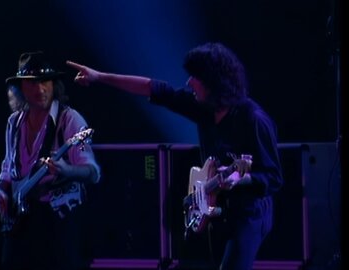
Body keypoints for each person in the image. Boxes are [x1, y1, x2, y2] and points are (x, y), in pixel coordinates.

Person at [67, 42, 283, 270]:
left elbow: (273, 177)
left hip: (248, 214)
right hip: (218, 211)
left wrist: (241, 179)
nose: (189, 83)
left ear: (213, 81)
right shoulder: (204, 107)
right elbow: (156, 89)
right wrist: (99, 76)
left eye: (195, 77)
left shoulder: (253, 120)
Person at [0, 51, 101, 270]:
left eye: (45, 82)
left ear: (54, 84)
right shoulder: (14, 123)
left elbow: (92, 172)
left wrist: (67, 170)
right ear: (21, 89)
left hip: (58, 222)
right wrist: (2, 190)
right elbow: (8, 166)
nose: (40, 89)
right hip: (21, 222)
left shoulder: (70, 119)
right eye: (33, 83)